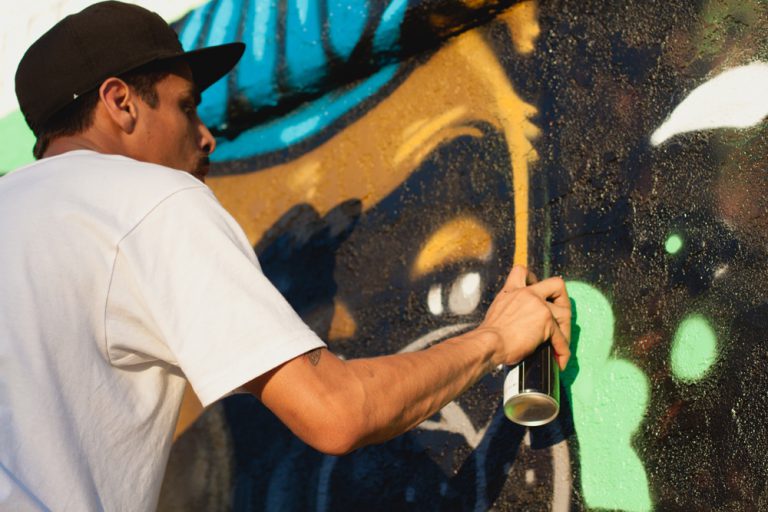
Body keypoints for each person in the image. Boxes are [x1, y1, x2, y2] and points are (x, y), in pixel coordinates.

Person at [0, 1, 571, 510]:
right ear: (121, 103)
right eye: (186, 107)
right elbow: (336, 412)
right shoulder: (148, 199)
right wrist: (496, 338)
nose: (206, 136)